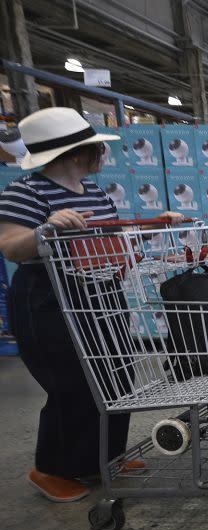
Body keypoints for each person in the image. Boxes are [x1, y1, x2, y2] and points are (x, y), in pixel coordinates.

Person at [0, 108, 183, 503]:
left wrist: (154, 226)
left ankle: (103, 456)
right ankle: (50, 469)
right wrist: (45, 229)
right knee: (70, 382)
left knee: (115, 375)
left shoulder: (95, 192)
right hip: (50, 296)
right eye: (98, 147)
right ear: (75, 152)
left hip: (99, 292)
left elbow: (106, 241)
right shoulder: (26, 193)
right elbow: (12, 246)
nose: (103, 153)